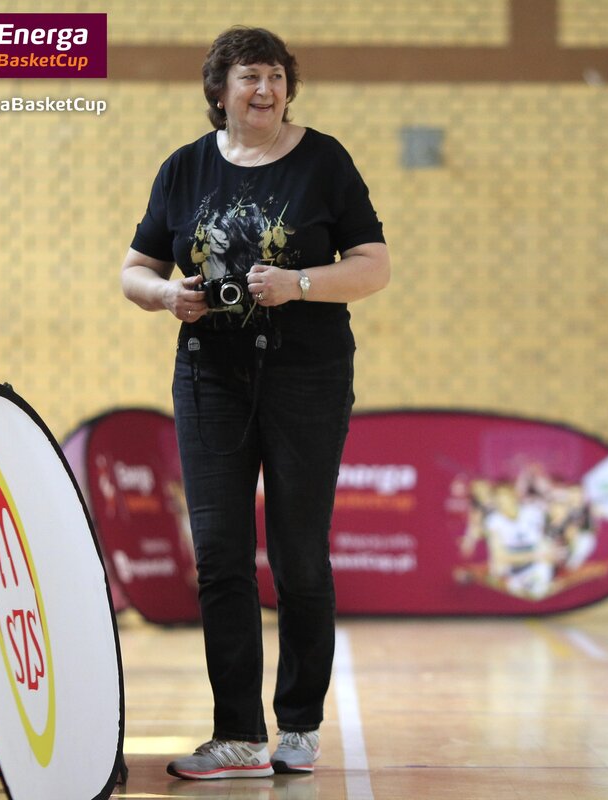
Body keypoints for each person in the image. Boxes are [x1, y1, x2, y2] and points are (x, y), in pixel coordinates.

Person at [120, 26, 390, 780]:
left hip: (307, 376)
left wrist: (299, 283)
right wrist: (167, 296)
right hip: (209, 377)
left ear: (288, 88)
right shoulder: (184, 168)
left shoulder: (324, 161)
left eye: (275, 76)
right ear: (220, 91)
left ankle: (298, 723)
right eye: (249, 77)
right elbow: (134, 270)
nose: (264, 89)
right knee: (219, 557)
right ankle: (237, 734)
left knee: (299, 554)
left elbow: (374, 265)